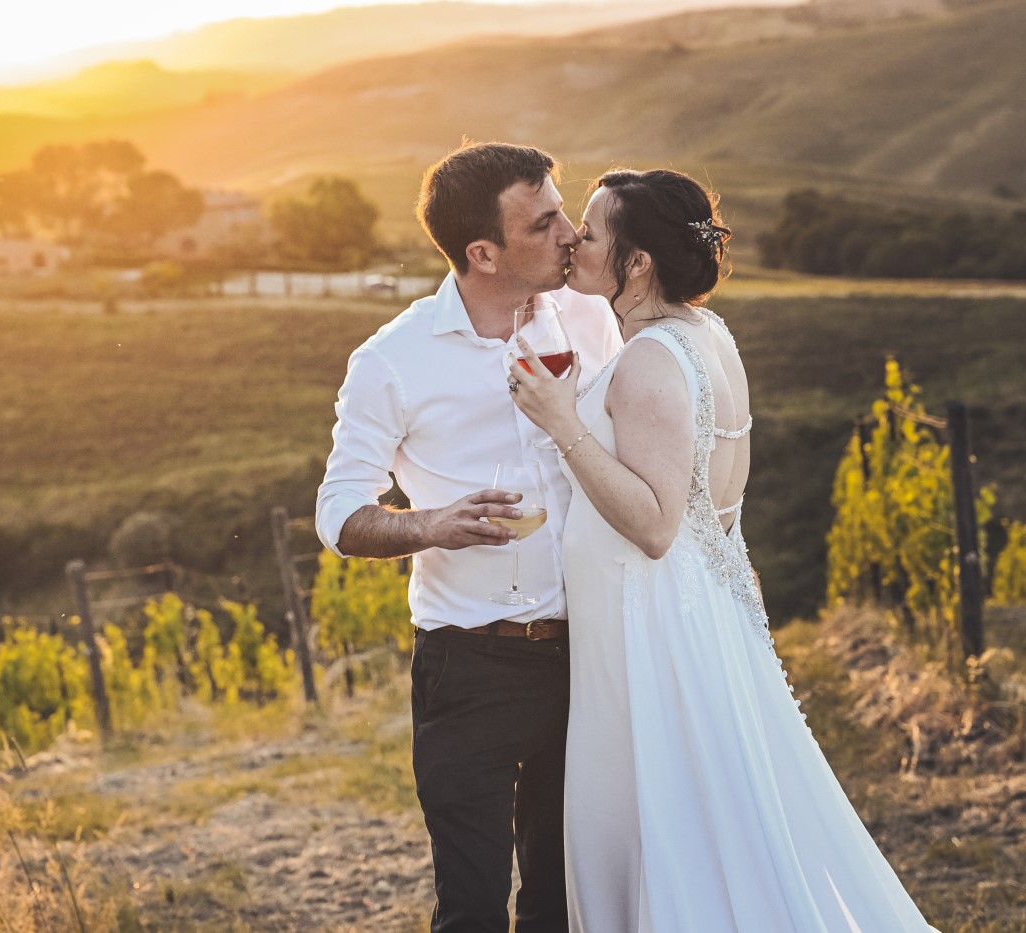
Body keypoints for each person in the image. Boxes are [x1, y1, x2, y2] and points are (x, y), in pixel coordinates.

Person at [507, 168, 937, 931]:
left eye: (594, 232)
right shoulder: (706, 333)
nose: (575, 239)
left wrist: (558, 419)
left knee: (662, 826)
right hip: (689, 612)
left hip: (653, 634)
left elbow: (656, 522)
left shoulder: (649, 360)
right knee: (709, 822)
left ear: (638, 264)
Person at [315, 142, 622, 932]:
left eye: (563, 211)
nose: (570, 234)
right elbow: (340, 513)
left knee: (563, 899)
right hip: (467, 663)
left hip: (586, 654)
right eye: (545, 220)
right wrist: (433, 524)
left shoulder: (590, 319)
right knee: (473, 906)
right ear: (482, 252)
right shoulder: (392, 359)